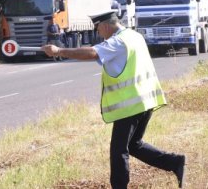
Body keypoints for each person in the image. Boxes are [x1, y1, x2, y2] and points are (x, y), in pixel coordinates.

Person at [42, 11, 185, 189]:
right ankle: (174, 162)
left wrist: (59, 51)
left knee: (119, 151)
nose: (98, 33)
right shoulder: (134, 36)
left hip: (130, 105)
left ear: (106, 25)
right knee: (134, 145)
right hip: (144, 101)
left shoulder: (118, 42)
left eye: (98, 28)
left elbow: (92, 53)